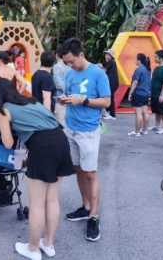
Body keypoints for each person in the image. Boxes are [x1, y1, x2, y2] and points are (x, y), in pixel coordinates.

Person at [0, 78, 74, 260]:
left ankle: (33, 248)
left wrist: (2, 123)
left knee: (36, 204)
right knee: (52, 199)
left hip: (42, 147)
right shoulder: (31, 100)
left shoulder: (3, 109)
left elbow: (8, 142)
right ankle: (48, 244)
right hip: (61, 141)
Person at [58, 38, 111, 242]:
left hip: (88, 131)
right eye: (66, 63)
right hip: (70, 128)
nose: (69, 66)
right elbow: (68, 93)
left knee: (90, 174)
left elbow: (106, 101)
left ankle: (94, 216)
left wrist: (84, 101)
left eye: (71, 61)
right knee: (78, 169)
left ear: (81, 54)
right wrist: (65, 99)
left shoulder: (98, 74)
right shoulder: (70, 72)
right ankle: (85, 206)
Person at [127, 54, 152, 137]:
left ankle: (137, 132)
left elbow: (135, 82)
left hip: (138, 93)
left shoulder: (139, 69)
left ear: (139, 60)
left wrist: (130, 93)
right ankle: (144, 130)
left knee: (138, 113)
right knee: (145, 112)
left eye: (136, 59)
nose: (135, 61)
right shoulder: (147, 70)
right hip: (146, 93)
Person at [148, 50, 163, 135]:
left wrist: (162, 95)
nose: (154, 58)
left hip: (161, 95)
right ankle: (157, 126)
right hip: (154, 93)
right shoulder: (157, 68)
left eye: (156, 57)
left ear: (161, 58)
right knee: (157, 111)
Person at [52, 47, 69, 124]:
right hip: (68, 97)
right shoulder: (68, 67)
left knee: (60, 122)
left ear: (57, 55)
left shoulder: (56, 67)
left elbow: (58, 84)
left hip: (59, 98)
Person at [102, 49, 119, 120]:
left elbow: (104, 70)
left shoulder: (111, 61)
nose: (105, 55)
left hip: (112, 82)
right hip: (113, 82)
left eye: (107, 54)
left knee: (110, 98)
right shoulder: (110, 62)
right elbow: (102, 66)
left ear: (110, 55)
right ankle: (109, 113)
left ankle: (112, 115)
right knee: (110, 97)